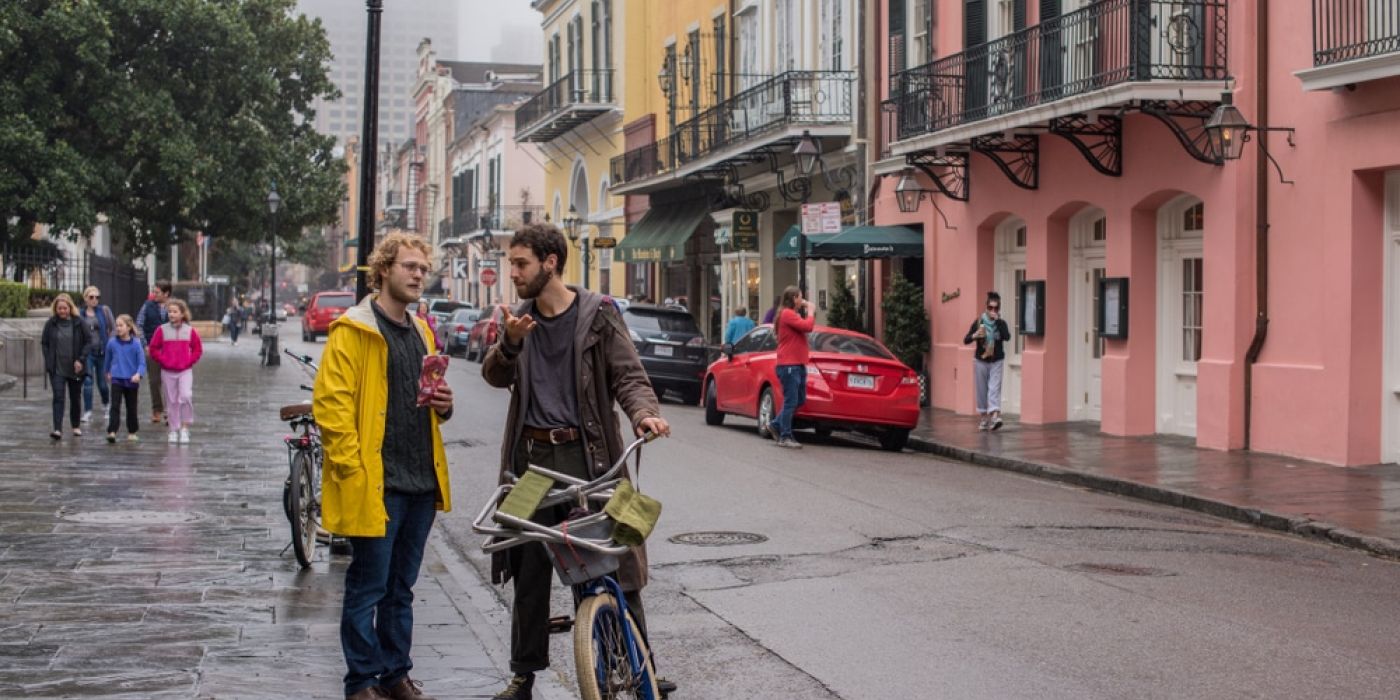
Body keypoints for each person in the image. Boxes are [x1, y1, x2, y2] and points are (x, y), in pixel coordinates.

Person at [482, 223, 673, 700]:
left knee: (610, 561)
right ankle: (522, 677)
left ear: (550, 262)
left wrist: (644, 414)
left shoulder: (597, 313)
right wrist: (509, 343)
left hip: (586, 455)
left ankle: (638, 665)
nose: (513, 272)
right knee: (528, 569)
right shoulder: (518, 320)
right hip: (530, 462)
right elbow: (494, 375)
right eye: (511, 264)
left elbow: (628, 375)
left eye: (521, 263)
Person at [312, 232, 455, 700]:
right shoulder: (353, 329)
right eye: (409, 266)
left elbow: (427, 400)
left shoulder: (422, 331)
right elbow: (331, 406)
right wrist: (352, 468)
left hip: (421, 482)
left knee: (401, 589)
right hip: (377, 482)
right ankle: (361, 682)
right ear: (384, 270)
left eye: (423, 269)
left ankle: (395, 674)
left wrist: (444, 404)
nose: (418, 275)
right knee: (367, 586)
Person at [765, 286, 815, 449]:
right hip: (789, 365)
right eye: (800, 297)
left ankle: (775, 424)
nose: (802, 299)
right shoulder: (787, 314)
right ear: (794, 299)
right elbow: (808, 326)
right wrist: (811, 311)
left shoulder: (791, 314)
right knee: (790, 401)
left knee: (799, 399)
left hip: (797, 364)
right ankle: (785, 436)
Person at [41, 293, 95, 440]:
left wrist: (81, 359)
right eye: (59, 308)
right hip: (57, 368)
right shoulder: (51, 323)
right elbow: (44, 343)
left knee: (75, 397)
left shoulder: (79, 322)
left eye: (65, 308)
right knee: (58, 397)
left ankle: (75, 426)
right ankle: (57, 429)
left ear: (70, 308)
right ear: (55, 309)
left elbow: (88, 341)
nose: (62, 311)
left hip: (76, 368)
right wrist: (48, 360)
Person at [148, 298, 203, 444]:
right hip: (167, 371)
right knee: (171, 401)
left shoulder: (190, 331)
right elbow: (153, 348)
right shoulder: (161, 330)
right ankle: (173, 430)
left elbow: (198, 349)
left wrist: (189, 361)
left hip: (185, 371)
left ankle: (185, 428)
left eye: (174, 311)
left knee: (186, 396)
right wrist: (163, 360)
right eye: (170, 311)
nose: (171, 314)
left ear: (182, 314)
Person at [963, 291, 1012, 431]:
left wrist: (998, 321)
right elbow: (965, 340)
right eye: (990, 307)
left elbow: (1007, 337)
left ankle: (995, 417)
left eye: (996, 308)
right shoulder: (979, 322)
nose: (993, 311)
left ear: (999, 309)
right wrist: (974, 335)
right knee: (981, 390)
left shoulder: (1001, 323)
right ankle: (984, 418)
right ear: (986, 307)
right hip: (981, 360)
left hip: (997, 360)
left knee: (994, 388)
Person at [103, 314, 146, 443]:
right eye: (117, 326)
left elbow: (142, 362)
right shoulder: (112, 342)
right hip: (117, 378)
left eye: (121, 325)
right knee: (115, 406)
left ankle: (132, 431)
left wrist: (138, 374)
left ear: (129, 327)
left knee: (131, 407)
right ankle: (112, 431)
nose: (118, 328)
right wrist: (107, 372)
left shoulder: (136, 344)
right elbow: (107, 359)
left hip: (131, 380)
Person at [77, 286, 114, 424]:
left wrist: (110, 345)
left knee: (103, 384)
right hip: (87, 353)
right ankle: (88, 411)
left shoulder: (104, 311)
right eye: (91, 297)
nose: (94, 300)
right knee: (87, 382)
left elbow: (113, 328)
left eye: (97, 297)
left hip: (102, 351)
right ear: (85, 298)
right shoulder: (80, 314)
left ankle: (106, 404)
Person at [136, 281, 172, 424]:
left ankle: (170, 411)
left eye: (157, 292)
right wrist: (145, 345)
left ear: (166, 293)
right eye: (154, 291)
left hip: (170, 349)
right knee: (154, 381)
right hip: (153, 348)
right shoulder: (147, 305)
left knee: (170, 381)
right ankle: (157, 409)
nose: (154, 294)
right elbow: (139, 325)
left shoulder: (174, 306)